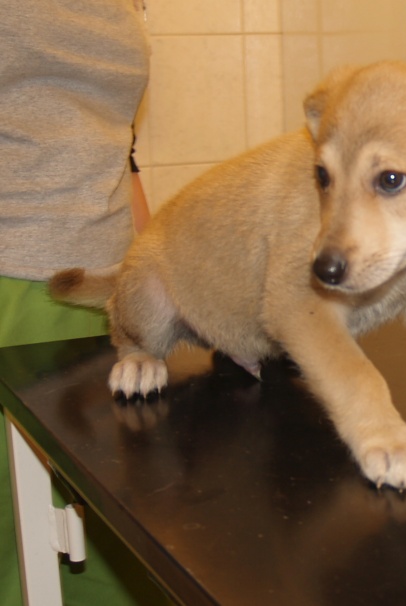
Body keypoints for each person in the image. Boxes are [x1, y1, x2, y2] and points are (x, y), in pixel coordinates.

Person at [0, 1, 170, 604]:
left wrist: (154, 272)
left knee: (110, 525)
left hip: (107, 291)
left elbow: (118, 144)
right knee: (13, 531)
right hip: (10, 285)